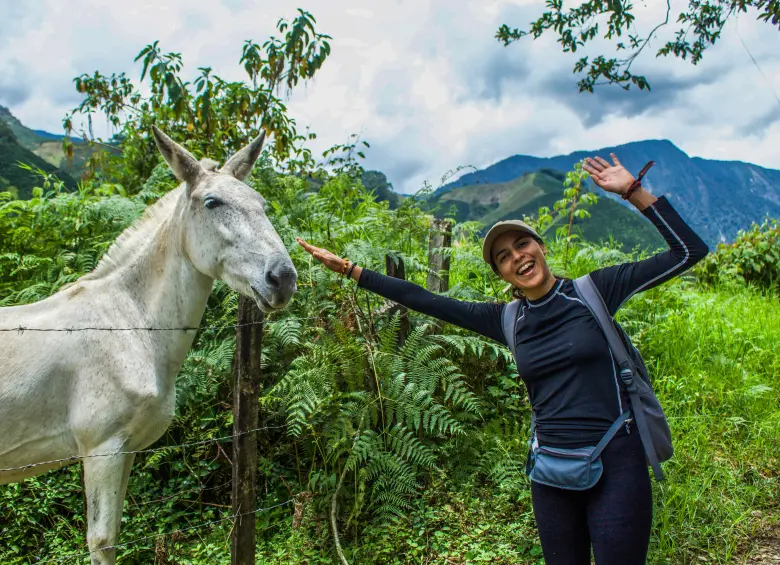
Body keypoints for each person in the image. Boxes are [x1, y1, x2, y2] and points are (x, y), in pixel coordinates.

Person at [296, 153, 709, 565]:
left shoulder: (595, 292)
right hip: (551, 472)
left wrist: (633, 191)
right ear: (502, 274)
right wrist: (349, 269)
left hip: (617, 461)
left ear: (541, 246)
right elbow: (425, 300)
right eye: (504, 256)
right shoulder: (508, 320)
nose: (517, 257)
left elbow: (688, 251)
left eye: (522, 244)